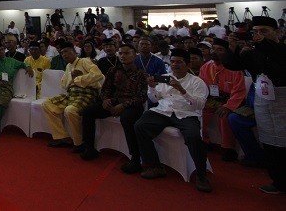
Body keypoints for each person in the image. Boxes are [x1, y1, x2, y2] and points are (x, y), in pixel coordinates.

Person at [133, 48, 212, 192]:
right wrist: (151, 88)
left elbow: (200, 105)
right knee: (140, 125)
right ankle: (155, 166)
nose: (175, 65)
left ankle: (201, 175)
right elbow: (154, 99)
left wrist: (182, 90)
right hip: (163, 111)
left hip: (186, 114)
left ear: (187, 64)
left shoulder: (197, 82)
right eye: (173, 62)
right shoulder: (164, 77)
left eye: (179, 62)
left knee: (193, 136)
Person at [225, 16, 286, 194]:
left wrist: (263, 43)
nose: (259, 35)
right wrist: (232, 48)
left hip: (283, 99)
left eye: (264, 31)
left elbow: (279, 58)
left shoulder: (282, 49)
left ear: (277, 32)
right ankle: (279, 181)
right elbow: (233, 65)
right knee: (269, 142)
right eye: (255, 32)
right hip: (263, 101)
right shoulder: (252, 53)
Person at [79, 43, 147, 171]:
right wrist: (105, 100)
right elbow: (105, 89)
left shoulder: (141, 73)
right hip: (113, 102)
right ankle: (89, 147)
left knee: (127, 119)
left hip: (132, 105)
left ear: (134, 55)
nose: (122, 56)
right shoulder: (113, 70)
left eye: (126, 53)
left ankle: (135, 158)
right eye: (120, 53)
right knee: (88, 111)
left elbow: (141, 97)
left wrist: (123, 105)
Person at [44, 43, 104, 149]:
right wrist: (72, 77)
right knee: (47, 104)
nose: (64, 54)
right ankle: (62, 137)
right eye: (62, 53)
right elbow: (64, 84)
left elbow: (98, 75)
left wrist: (79, 78)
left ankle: (79, 142)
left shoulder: (84, 61)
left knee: (70, 110)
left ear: (74, 52)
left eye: (66, 51)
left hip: (87, 93)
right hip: (72, 93)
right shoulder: (68, 66)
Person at [198, 38, 246, 162]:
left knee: (224, 115)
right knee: (200, 111)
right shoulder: (206, 67)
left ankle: (228, 148)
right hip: (212, 99)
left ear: (227, 52)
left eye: (220, 50)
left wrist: (228, 106)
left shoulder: (235, 68)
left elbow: (239, 90)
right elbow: (202, 87)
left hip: (230, 101)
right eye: (214, 49)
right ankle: (204, 141)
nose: (215, 52)